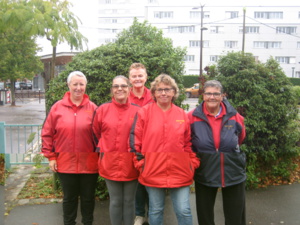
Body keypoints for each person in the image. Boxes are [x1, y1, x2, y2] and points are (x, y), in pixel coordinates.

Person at [130, 74, 200, 225]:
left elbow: (189, 143)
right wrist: (142, 165)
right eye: (160, 89)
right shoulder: (144, 112)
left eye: (167, 89)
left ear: (174, 92)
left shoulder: (181, 114)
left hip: (180, 171)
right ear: (154, 93)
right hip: (153, 170)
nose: (163, 93)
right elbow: (136, 141)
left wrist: (191, 163)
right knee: (156, 210)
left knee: (183, 210)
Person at [42, 71, 99, 225]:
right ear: (69, 85)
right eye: (75, 84)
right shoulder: (57, 108)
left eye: (81, 84)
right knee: (69, 199)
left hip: (89, 163)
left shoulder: (93, 108)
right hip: (65, 163)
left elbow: (101, 136)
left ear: (86, 86)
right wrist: (51, 157)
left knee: (88, 199)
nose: (78, 88)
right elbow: (47, 133)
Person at [188, 80, 246, 225]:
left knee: (235, 215)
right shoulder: (192, 116)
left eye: (216, 94)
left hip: (232, 168)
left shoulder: (234, 116)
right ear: (203, 95)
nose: (212, 97)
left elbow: (241, 137)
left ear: (222, 96)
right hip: (205, 168)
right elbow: (186, 142)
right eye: (208, 93)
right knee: (205, 214)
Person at [92, 75, 140, 225]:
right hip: (110, 163)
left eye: (123, 86)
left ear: (129, 89)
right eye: (116, 86)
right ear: (112, 90)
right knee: (116, 201)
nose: (120, 89)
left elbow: (142, 136)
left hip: (131, 164)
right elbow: (95, 133)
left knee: (129, 200)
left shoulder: (139, 111)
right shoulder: (102, 110)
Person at [128, 62, 154, 225]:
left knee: (152, 180)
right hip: (132, 145)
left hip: (152, 145)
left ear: (146, 77)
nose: (137, 78)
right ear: (130, 79)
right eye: (134, 76)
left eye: (140, 75)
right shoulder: (124, 95)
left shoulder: (155, 96)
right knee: (137, 182)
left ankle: (153, 213)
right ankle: (139, 214)